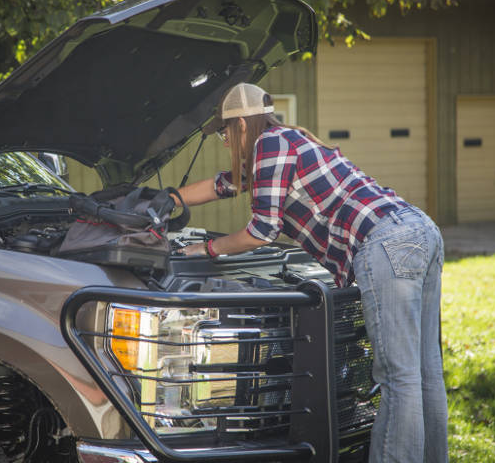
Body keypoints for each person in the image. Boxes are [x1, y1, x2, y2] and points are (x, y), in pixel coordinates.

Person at [176, 83, 448, 463]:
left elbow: (261, 231)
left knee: (398, 377)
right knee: (424, 372)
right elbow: (223, 184)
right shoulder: (287, 143)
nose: (224, 141)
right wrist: (168, 200)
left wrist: (205, 249)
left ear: (240, 124)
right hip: (419, 230)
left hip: (384, 243)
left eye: (223, 132)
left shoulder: (269, 145)